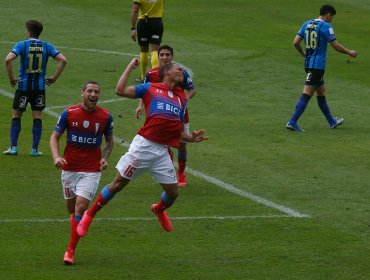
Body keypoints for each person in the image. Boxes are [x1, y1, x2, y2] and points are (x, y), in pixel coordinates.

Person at [76, 58, 208, 240]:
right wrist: (130, 67)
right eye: (179, 69)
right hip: (143, 146)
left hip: (162, 151)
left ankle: (159, 209)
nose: (182, 72)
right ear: (167, 72)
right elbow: (120, 90)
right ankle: (90, 215)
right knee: (117, 185)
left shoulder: (181, 98)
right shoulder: (150, 89)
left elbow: (177, 131)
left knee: (173, 192)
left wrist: (191, 138)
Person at [50, 81, 114, 265]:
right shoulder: (69, 114)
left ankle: (70, 251)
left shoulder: (105, 117)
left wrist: (104, 157)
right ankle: (77, 222)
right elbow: (55, 136)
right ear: (82, 93)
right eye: (90, 91)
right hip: (69, 168)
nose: (93, 94)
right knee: (71, 209)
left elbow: (109, 142)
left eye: (96, 92)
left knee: (80, 207)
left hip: (91, 170)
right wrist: (56, 157)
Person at [286, 4, 357, 132]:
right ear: (328, 14)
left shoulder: (307, 23)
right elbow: (335, 46)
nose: (332, 20)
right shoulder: (325, 26)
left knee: (321, 92)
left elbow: (295, 42)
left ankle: (331, 121)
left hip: (308, 64)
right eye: (332, 17)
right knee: (307, 93)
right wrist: (349, 52)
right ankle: (292, 122)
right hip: (317, 66)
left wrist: (303, 54)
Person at [3, 20, 67, 155]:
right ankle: (34, 150)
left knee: (16, 115)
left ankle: (13, 148)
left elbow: (8, 59)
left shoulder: (21, 45)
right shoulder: (46, 46)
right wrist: (54, 78)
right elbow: (63, 60)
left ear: (28, 31)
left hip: (23, 87)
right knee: (37, 116)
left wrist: (11, 78)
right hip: (39, 88)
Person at [136, 45, 196, 186]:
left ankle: (181, 172)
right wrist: (140, 105)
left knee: (182, 144)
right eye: (161, 54)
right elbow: (144, 91)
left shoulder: (180, 72)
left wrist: (185, 99)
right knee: (164, 144)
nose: (164, 57)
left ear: (172, 57)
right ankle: (168, 172)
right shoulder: (151, 74)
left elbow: (192, 89)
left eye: (167, 55)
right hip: (160, 113)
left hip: (179, 114)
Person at [130, 0, 164, 83]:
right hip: (157, 23)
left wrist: (133, 28)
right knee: (155, 51)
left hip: (143, 24)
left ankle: (143, 77)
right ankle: (155, 78)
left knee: (144, 50)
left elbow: (135, 11)